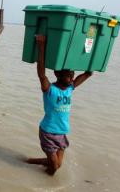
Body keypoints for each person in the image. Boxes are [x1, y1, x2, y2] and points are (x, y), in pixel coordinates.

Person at [26, 35, 93, 176]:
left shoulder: (70, 88)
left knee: (58, 164)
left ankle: (32, 161)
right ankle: (47, 181)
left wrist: (90, 65)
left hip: (62, 132)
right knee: (55, 167)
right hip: (48, 132)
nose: (72, 76)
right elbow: (41, 74)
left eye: (72, 74)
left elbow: (86, 75)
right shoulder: (50, 89)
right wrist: (41, 46)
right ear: (57, 74)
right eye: (68, 75)